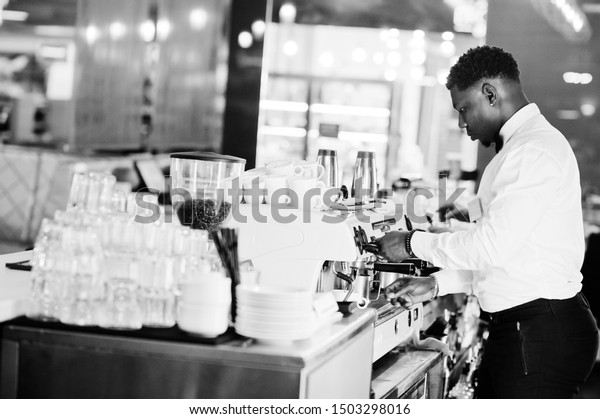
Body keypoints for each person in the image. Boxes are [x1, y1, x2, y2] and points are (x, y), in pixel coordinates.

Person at [376, 45, 599, 398]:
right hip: (530, 327)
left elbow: (491, 246)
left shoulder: (531, 151)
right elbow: (509, 257)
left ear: (491, 94)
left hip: (539, 333)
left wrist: (410, 243)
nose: (462, 123)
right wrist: (436, 285)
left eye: (464, 109)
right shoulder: (518, 148)